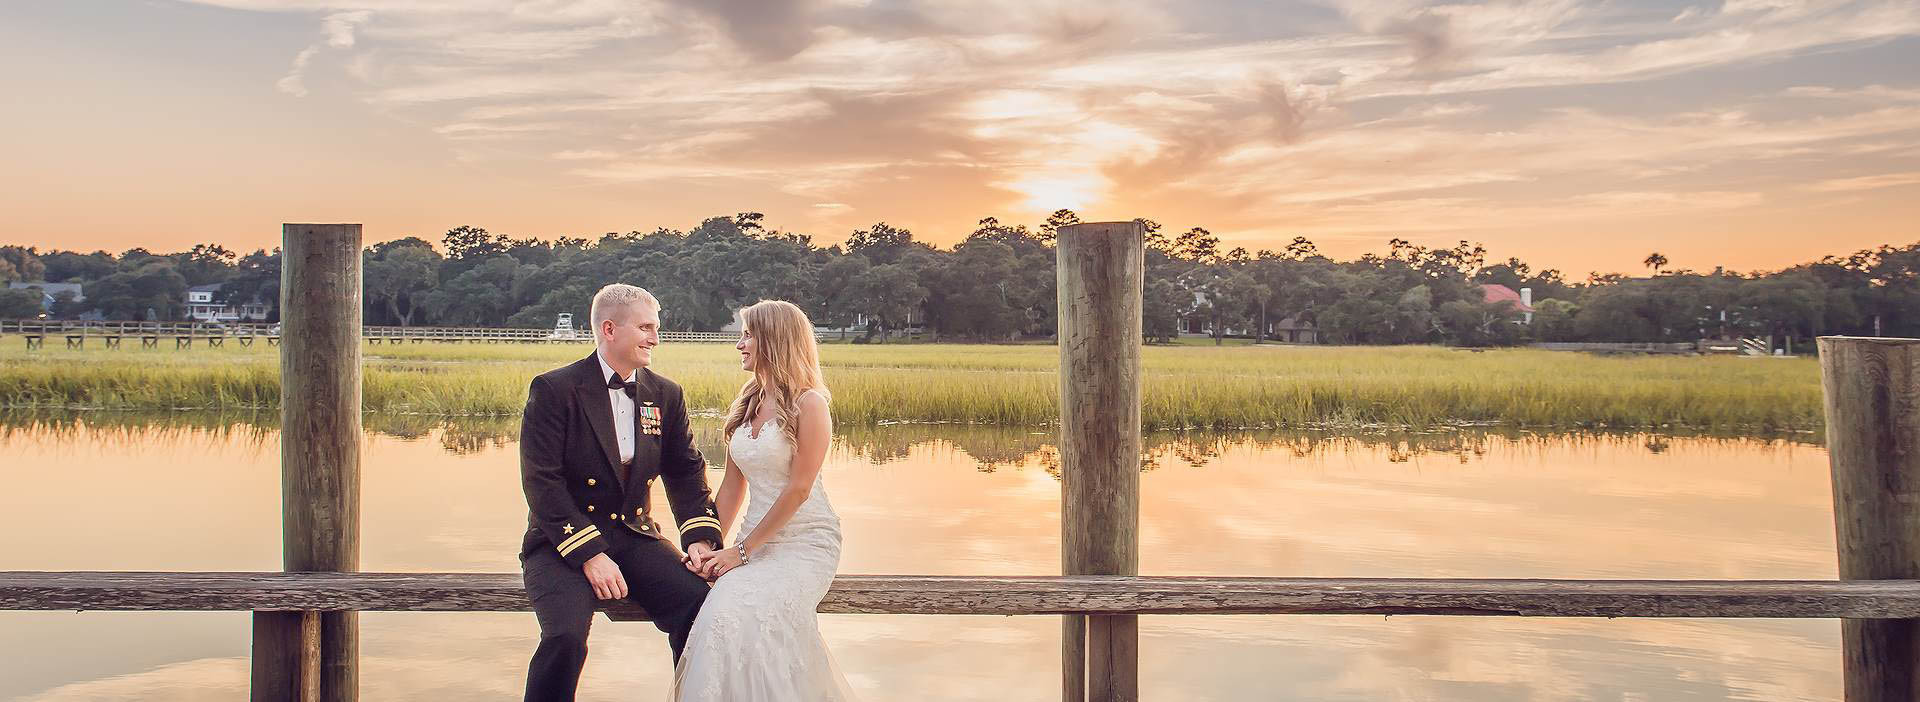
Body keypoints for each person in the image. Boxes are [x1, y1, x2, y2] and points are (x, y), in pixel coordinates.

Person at [518, 283, 723, 702]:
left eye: (657, 328)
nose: (655, 338)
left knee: (702, 609)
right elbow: (542, 481)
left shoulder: (665, 393)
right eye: (646, 327)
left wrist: (700, 536)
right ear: (609, 329)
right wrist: (590, 555)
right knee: (565, 637)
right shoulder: (555, 389)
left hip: (633, 534)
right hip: (561, 543)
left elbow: (685, 471)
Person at [675, 299, 858, 701]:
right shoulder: (748, 401)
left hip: (805, 544)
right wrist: (709, 544)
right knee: (720, 612)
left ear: (774, 340)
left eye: (747, 335)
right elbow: (731, 489)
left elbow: (799, 489)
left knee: (742, 613)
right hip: (750, 544)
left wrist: (741, 552)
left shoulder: (811, 404)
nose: (739, 344)